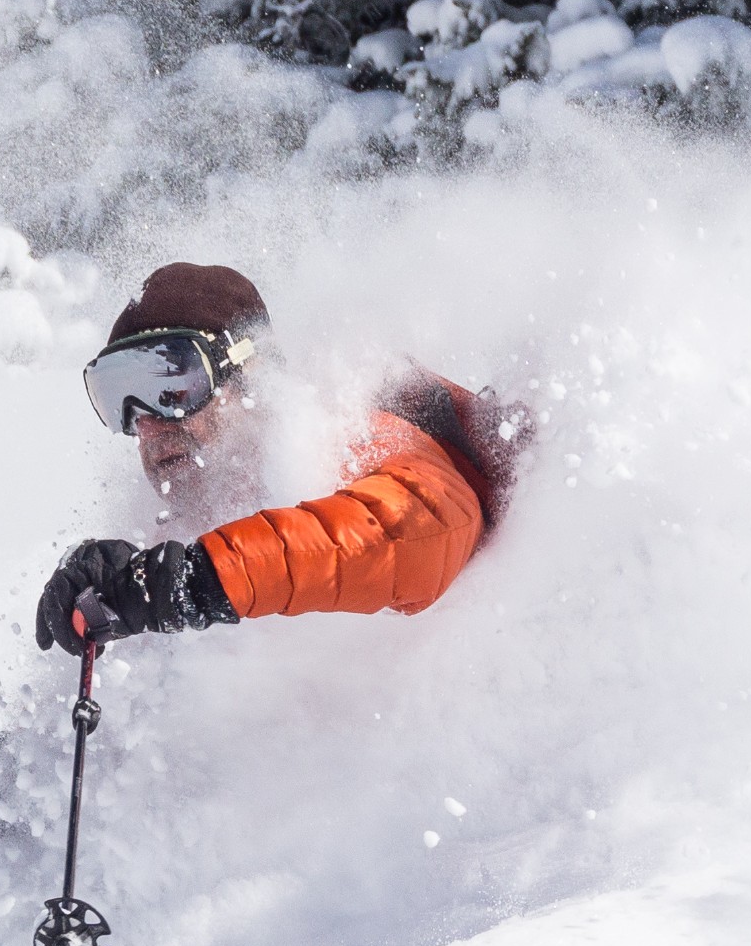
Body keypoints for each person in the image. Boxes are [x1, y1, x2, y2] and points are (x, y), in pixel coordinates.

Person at [32, 262, 512, 656]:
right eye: (120, 396)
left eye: (172, 386)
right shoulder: (190, 502)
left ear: (249, 377)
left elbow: (420, 525)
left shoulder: (340, 427)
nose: (149, 422)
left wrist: (195, 579)